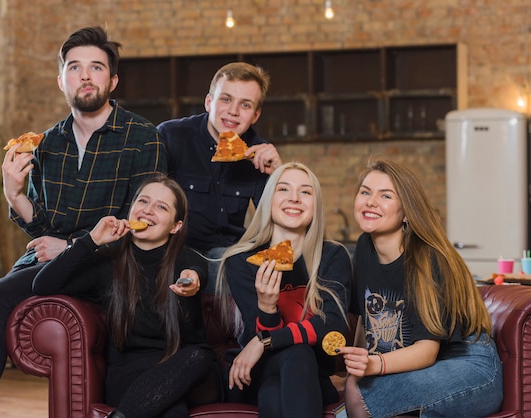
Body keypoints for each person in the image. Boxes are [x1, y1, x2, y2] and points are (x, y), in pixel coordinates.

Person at [0, 26, 167, 418]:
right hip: (49, 260)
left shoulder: (143, 138)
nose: (85, 76)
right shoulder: (47, 142)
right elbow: (43, 225)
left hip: (107, 264)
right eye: (75, 67)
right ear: (61, 79)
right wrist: (14, 195)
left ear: (112, 80)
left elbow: (143, 225)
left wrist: (70, 247)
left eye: (96, 67)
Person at [33, 174, 219, 418]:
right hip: (129, 372)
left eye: (161, 207)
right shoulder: (108, 263)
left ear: (176, 225)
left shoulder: (187, 259)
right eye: (143, 202)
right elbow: (43, 285)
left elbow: (195, 273)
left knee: (197, 356)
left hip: (191, 371)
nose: (147, 211)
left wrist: (191, 282)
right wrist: (91, 241)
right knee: (171, 410)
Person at [338, 157, 503, 417]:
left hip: (469, 365)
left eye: (386, 196)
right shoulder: (363, 247)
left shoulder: (428, 258)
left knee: (360, 394)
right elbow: (366, 322)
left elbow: (427, 351)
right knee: (354, 394)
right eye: (365, 192)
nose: (371, 201)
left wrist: (372, 366)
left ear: (406, 212)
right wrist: (356, 367)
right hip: (426, 364)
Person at [215, 162, 352, 417]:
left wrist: (263, 341)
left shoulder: (333, 256)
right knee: (297, 352)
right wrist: (267, 307)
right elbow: (260, 331)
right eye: (283, 189)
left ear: (316, 205)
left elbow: (332, 327)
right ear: (268, 200)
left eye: (305, 192)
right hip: (256, 371)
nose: (294, 199)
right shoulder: (242, 260)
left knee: (277, 394)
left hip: (309, 374)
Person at [157, 62, 283, 287]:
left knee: (236, 266)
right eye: (225, 99)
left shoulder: (260, 153)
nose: (233, 111)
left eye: (245, 105)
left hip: (227, 256)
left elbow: (277, 226)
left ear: (255, 115)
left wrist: (279, 175)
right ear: (208, 102)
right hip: (173, 249)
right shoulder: (171, 136)